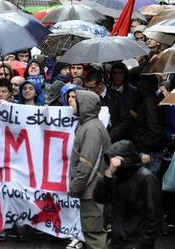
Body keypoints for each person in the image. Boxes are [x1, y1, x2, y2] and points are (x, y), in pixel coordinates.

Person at [93, 140, 163, 249]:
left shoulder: (146, 178)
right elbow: (99, 198)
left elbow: (154, 216)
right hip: (118, 239)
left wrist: (144, 244)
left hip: (136, 241)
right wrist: (108, 173)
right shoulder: (116, 176)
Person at [68, 90, 110, 249]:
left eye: (74, 99)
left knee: (94, 234)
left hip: (92, 191)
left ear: (84, 104)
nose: (71, 102)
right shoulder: (88, 125)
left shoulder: (91, 129)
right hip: (92, 189)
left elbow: (88, 164)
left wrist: (75, 187)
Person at [84, 70, 132, 143]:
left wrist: (109, 136)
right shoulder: (86, 98)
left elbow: (125, 122)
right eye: (87, 88)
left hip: (114, 140)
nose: (88, 91)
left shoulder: (117, 97)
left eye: (91, 88)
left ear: (100, 85)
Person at [133, 75, 165, 175]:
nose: (139, 85)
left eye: (142, 83)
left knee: (147, 183)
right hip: (152, 149)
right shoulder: (156, 98)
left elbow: (154, 129)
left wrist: (146, 150)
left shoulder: (149, 102)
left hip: (150, 152)